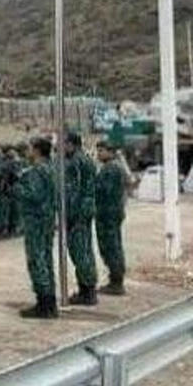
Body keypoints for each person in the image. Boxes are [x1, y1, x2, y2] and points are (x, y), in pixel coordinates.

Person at [16, 137, 58, 320]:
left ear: (37, 150)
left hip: (36, 219)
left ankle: (44, 304)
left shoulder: (36, 171)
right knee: (46, 259)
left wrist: (17, 188)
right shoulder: (51, 168)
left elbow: (34, 195)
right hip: (47, 218)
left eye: (30, 148)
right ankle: (49, 302)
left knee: (36, 260)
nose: (27, 152)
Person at [65, 132, 99, 306]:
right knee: (85, 250)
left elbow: (74, 190)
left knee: (79, 251)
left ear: (71, 144)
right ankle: (88, 288)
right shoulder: (86, 160)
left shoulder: (76, 162)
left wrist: (71, 212)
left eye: (64, 144)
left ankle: (87, 291)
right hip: (84, 210)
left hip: (78, 212)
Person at [95, 141, 128, 296]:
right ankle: (115, 279)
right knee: (112, 246)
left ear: (110, 152)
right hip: (110, 212)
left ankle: (116, 282)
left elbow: (104, 190)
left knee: (111, 247)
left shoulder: (111, 169)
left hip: (108, 213)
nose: (98, 154)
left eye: (101, 151)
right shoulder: (112, 167)